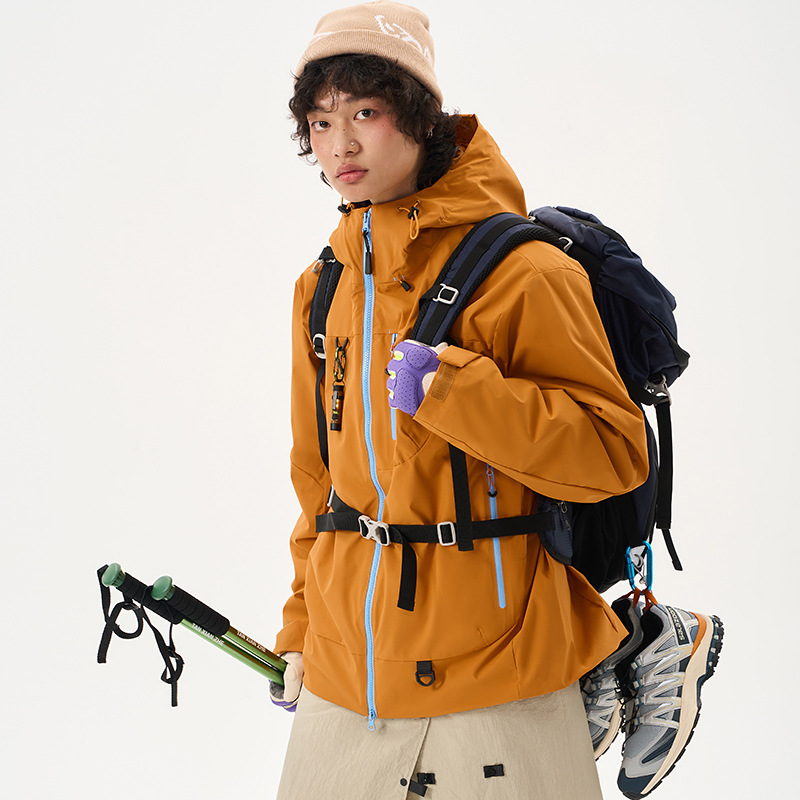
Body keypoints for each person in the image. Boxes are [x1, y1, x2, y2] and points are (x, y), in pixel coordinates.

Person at [269, 2, 649, 797]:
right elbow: (318, 487)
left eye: (364, 113)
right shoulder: (322, 287)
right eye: (322, 121)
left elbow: (613, 454)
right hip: (346, 675)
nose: (340, 145)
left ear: (418, 114)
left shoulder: (523, 272)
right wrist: (301, 625)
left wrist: (454, 391)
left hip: (502, 678)